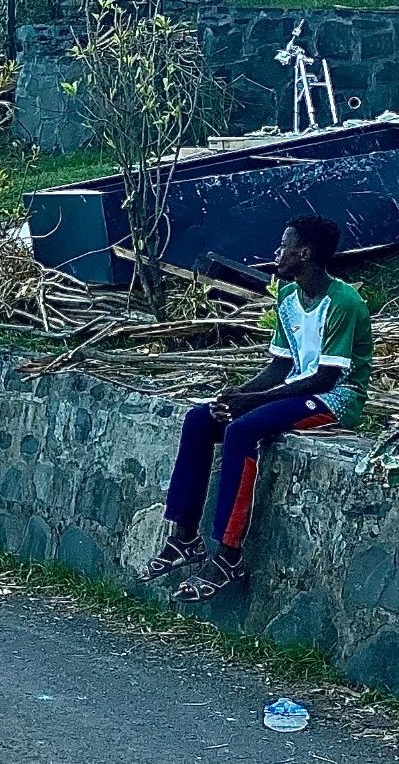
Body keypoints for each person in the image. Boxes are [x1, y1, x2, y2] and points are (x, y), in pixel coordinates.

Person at [145, 213, 372, 603]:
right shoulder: (287, 298)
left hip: (334, 401)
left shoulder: (344, 302)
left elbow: (326, 379)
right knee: (201, 419)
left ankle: (229, 555)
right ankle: (185, 537)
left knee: (243, 430)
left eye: (284, 246)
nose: (277, 252)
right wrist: (236, 395)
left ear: (304, 253)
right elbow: (280, 366)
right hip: (293, 392)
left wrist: (252, 403)